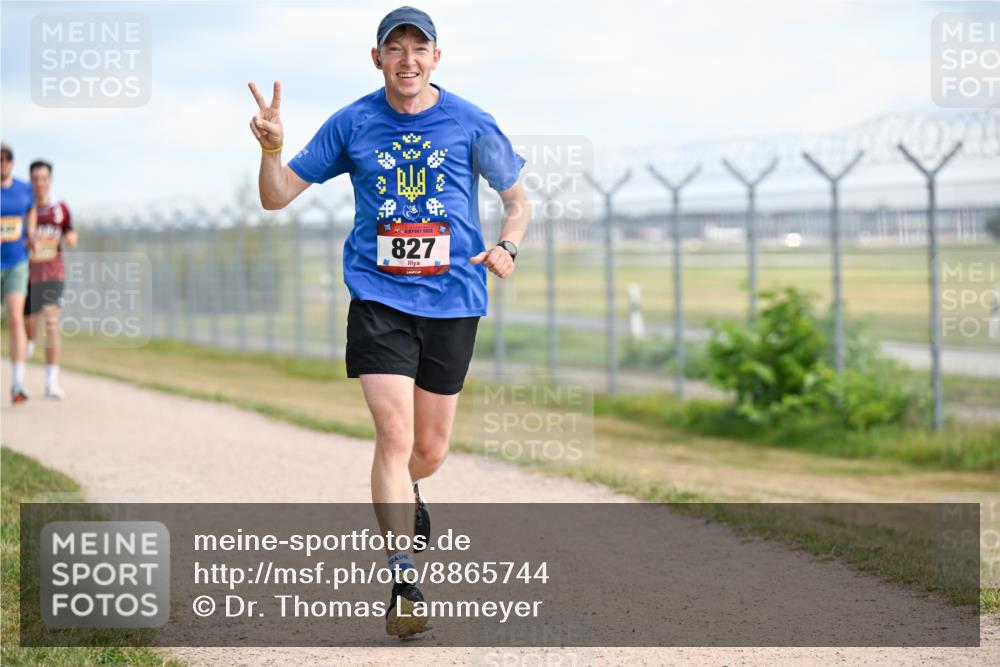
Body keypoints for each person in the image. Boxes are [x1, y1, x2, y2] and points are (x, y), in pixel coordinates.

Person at [248, 6, 530, 639]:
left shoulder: (470, 121)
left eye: (419, 48)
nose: (407, 58)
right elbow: (275, 195)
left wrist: (508, 246)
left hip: (454, 299)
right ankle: (404, 577)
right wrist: (270, 148)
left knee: (427, 451)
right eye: (394, 47)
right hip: (378, 299)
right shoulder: (352, 122)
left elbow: (517, 199)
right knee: (395, 436)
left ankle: (410, 497)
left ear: (436, 58)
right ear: (376, 58)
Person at [24, 160, 76, 399]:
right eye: (35, 178)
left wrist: (70, 237)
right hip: (28, 273)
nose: (40, 183)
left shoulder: (60, 208)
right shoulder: (25, 207)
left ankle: (51, 382)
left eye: (43, 178)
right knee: (29, 323)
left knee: (52, 323)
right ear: (31, 181)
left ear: (50, 180)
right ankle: (29, 342)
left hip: (54, 273)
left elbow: (69, 231)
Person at [1, 142, 36, 404]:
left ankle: (17, 384)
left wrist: (31, 234)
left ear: (12, 162)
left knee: (15, 318)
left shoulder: (24, 189)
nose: (3, 163)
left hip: (16, 262)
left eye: (6, 158)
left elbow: (31, 210)